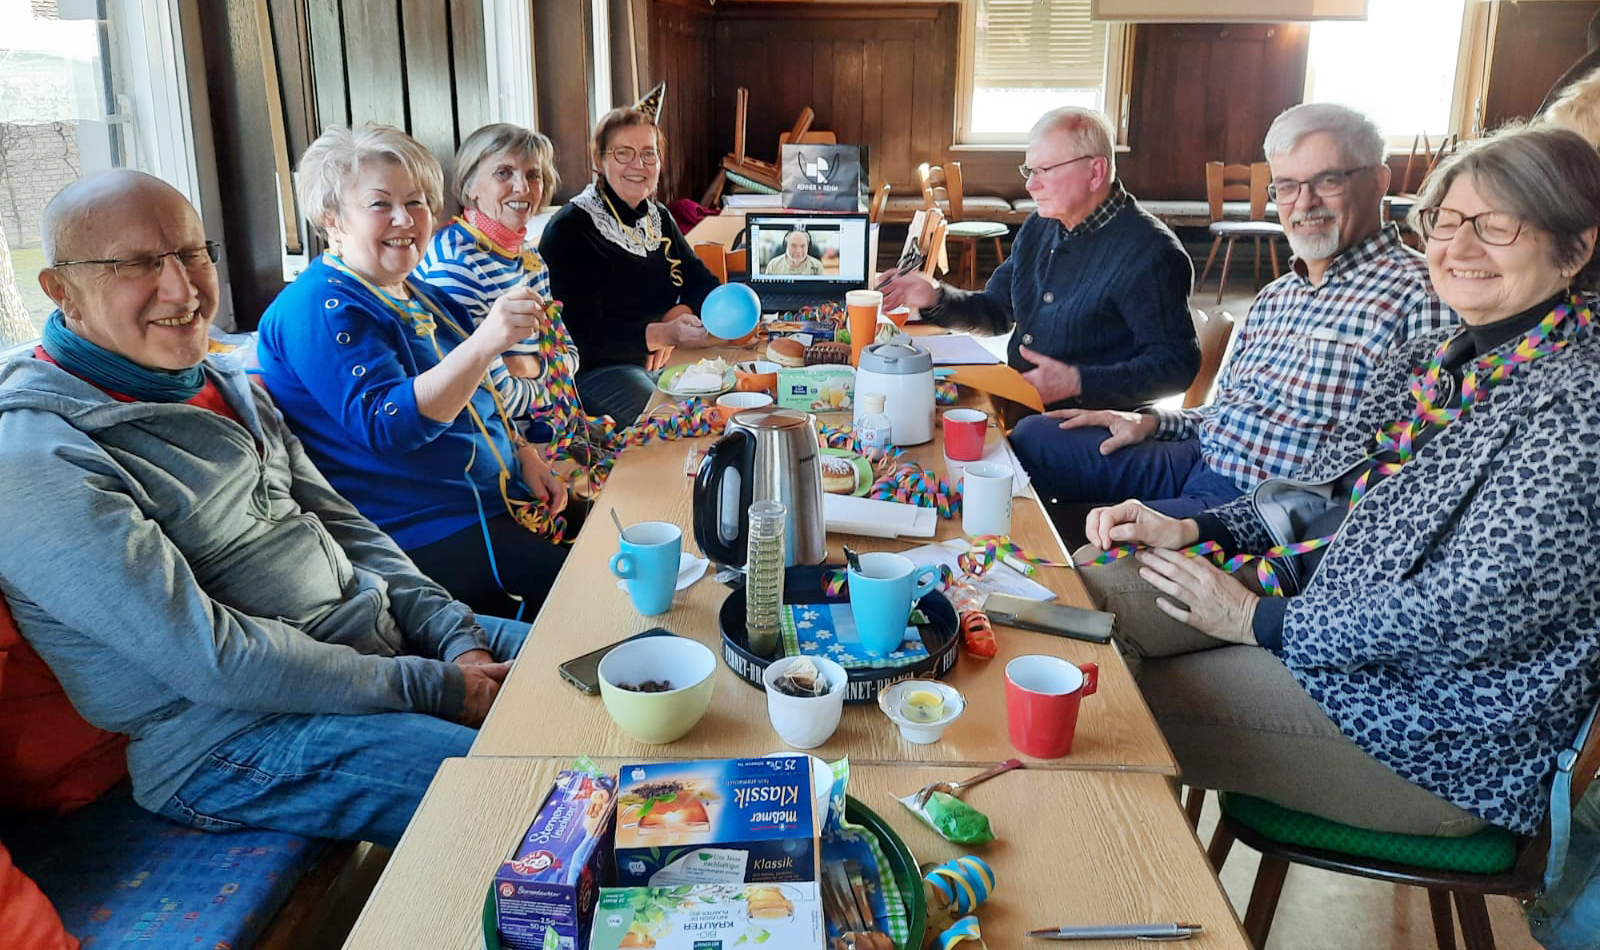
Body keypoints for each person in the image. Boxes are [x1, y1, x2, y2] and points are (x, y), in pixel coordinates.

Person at [1075, 125, 1600, 838]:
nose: (1459, 248)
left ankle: (1105, 882)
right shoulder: (1434, 361)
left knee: (1100, 698)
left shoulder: (1580, 399)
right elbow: (1332, 496)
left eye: (1498, 226)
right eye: (1446, 221)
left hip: (1440, 734)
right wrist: (1198, 528)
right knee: (1087, 588)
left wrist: (1259, 622)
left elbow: (1471, 606)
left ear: (1576, 246)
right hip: (1340, 634)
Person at [0, 169, 526, 847]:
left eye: (192, 253)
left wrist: (452, 632)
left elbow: (346, 527)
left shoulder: (224, 379)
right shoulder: (36, 457)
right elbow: (210, 660)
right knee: (533, 799)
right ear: (60, 291)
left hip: (377, 647)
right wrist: (438, 687)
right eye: (135, 264)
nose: (182, 289)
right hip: (230, 734)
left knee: (606, 675)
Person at [1015, 103, 1452, 518]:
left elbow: (1410, 475)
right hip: (1198, 457)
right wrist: (1150, 423)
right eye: (1286, 186)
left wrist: (1205, 531)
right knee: (1032, 439)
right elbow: (1230, 413)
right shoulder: (1277, 295)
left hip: (1261, 504)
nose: (1304, 203)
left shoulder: (1421, 299)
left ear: (1378, 182)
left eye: (1328, 181)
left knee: (1104, 556)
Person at [256, 124, 570, 619]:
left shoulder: (422, 293)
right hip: (424, 534)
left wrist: (523, 453)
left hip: (497, 498)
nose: (405, 219)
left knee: (629, 543)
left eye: (418, 201)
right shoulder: (318, 306)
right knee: (599, 595)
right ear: (331, 217)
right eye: (380, 204)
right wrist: (488, 341)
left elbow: (479, 394)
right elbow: (388, 426)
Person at [882, 106, 1197, 412]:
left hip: (1089, 424)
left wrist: (1078, 382)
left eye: (1045, 171)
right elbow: (997, 311)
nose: (1031, 185)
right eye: (1029, 171)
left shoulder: (1151, 252)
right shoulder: (1040, 226)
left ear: (1096, 171)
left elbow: (1176, 365)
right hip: (1022, 404)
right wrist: (936, 296)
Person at [539, 107, 721, 424]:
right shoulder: (570, 228)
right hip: (594, 372)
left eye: (649, 155)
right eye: (624, 153)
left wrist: (678, 315)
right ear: (599, 160)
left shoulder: (658, 217)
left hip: (657, 360)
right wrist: (658, 334)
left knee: (722, 400)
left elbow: (703, 283)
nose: (639, 165)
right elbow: (580, 335)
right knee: (679, 422)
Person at [414, 123, 580, 441]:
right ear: (471, 185)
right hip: (501, 443)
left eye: (533, 175)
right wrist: (551, 373)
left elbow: (570, 352)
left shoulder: (528, 256)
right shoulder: (455, 264)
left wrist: (528, 365)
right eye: (503, 173)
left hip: (552, 428)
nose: (522, 187)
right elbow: (491, 397)